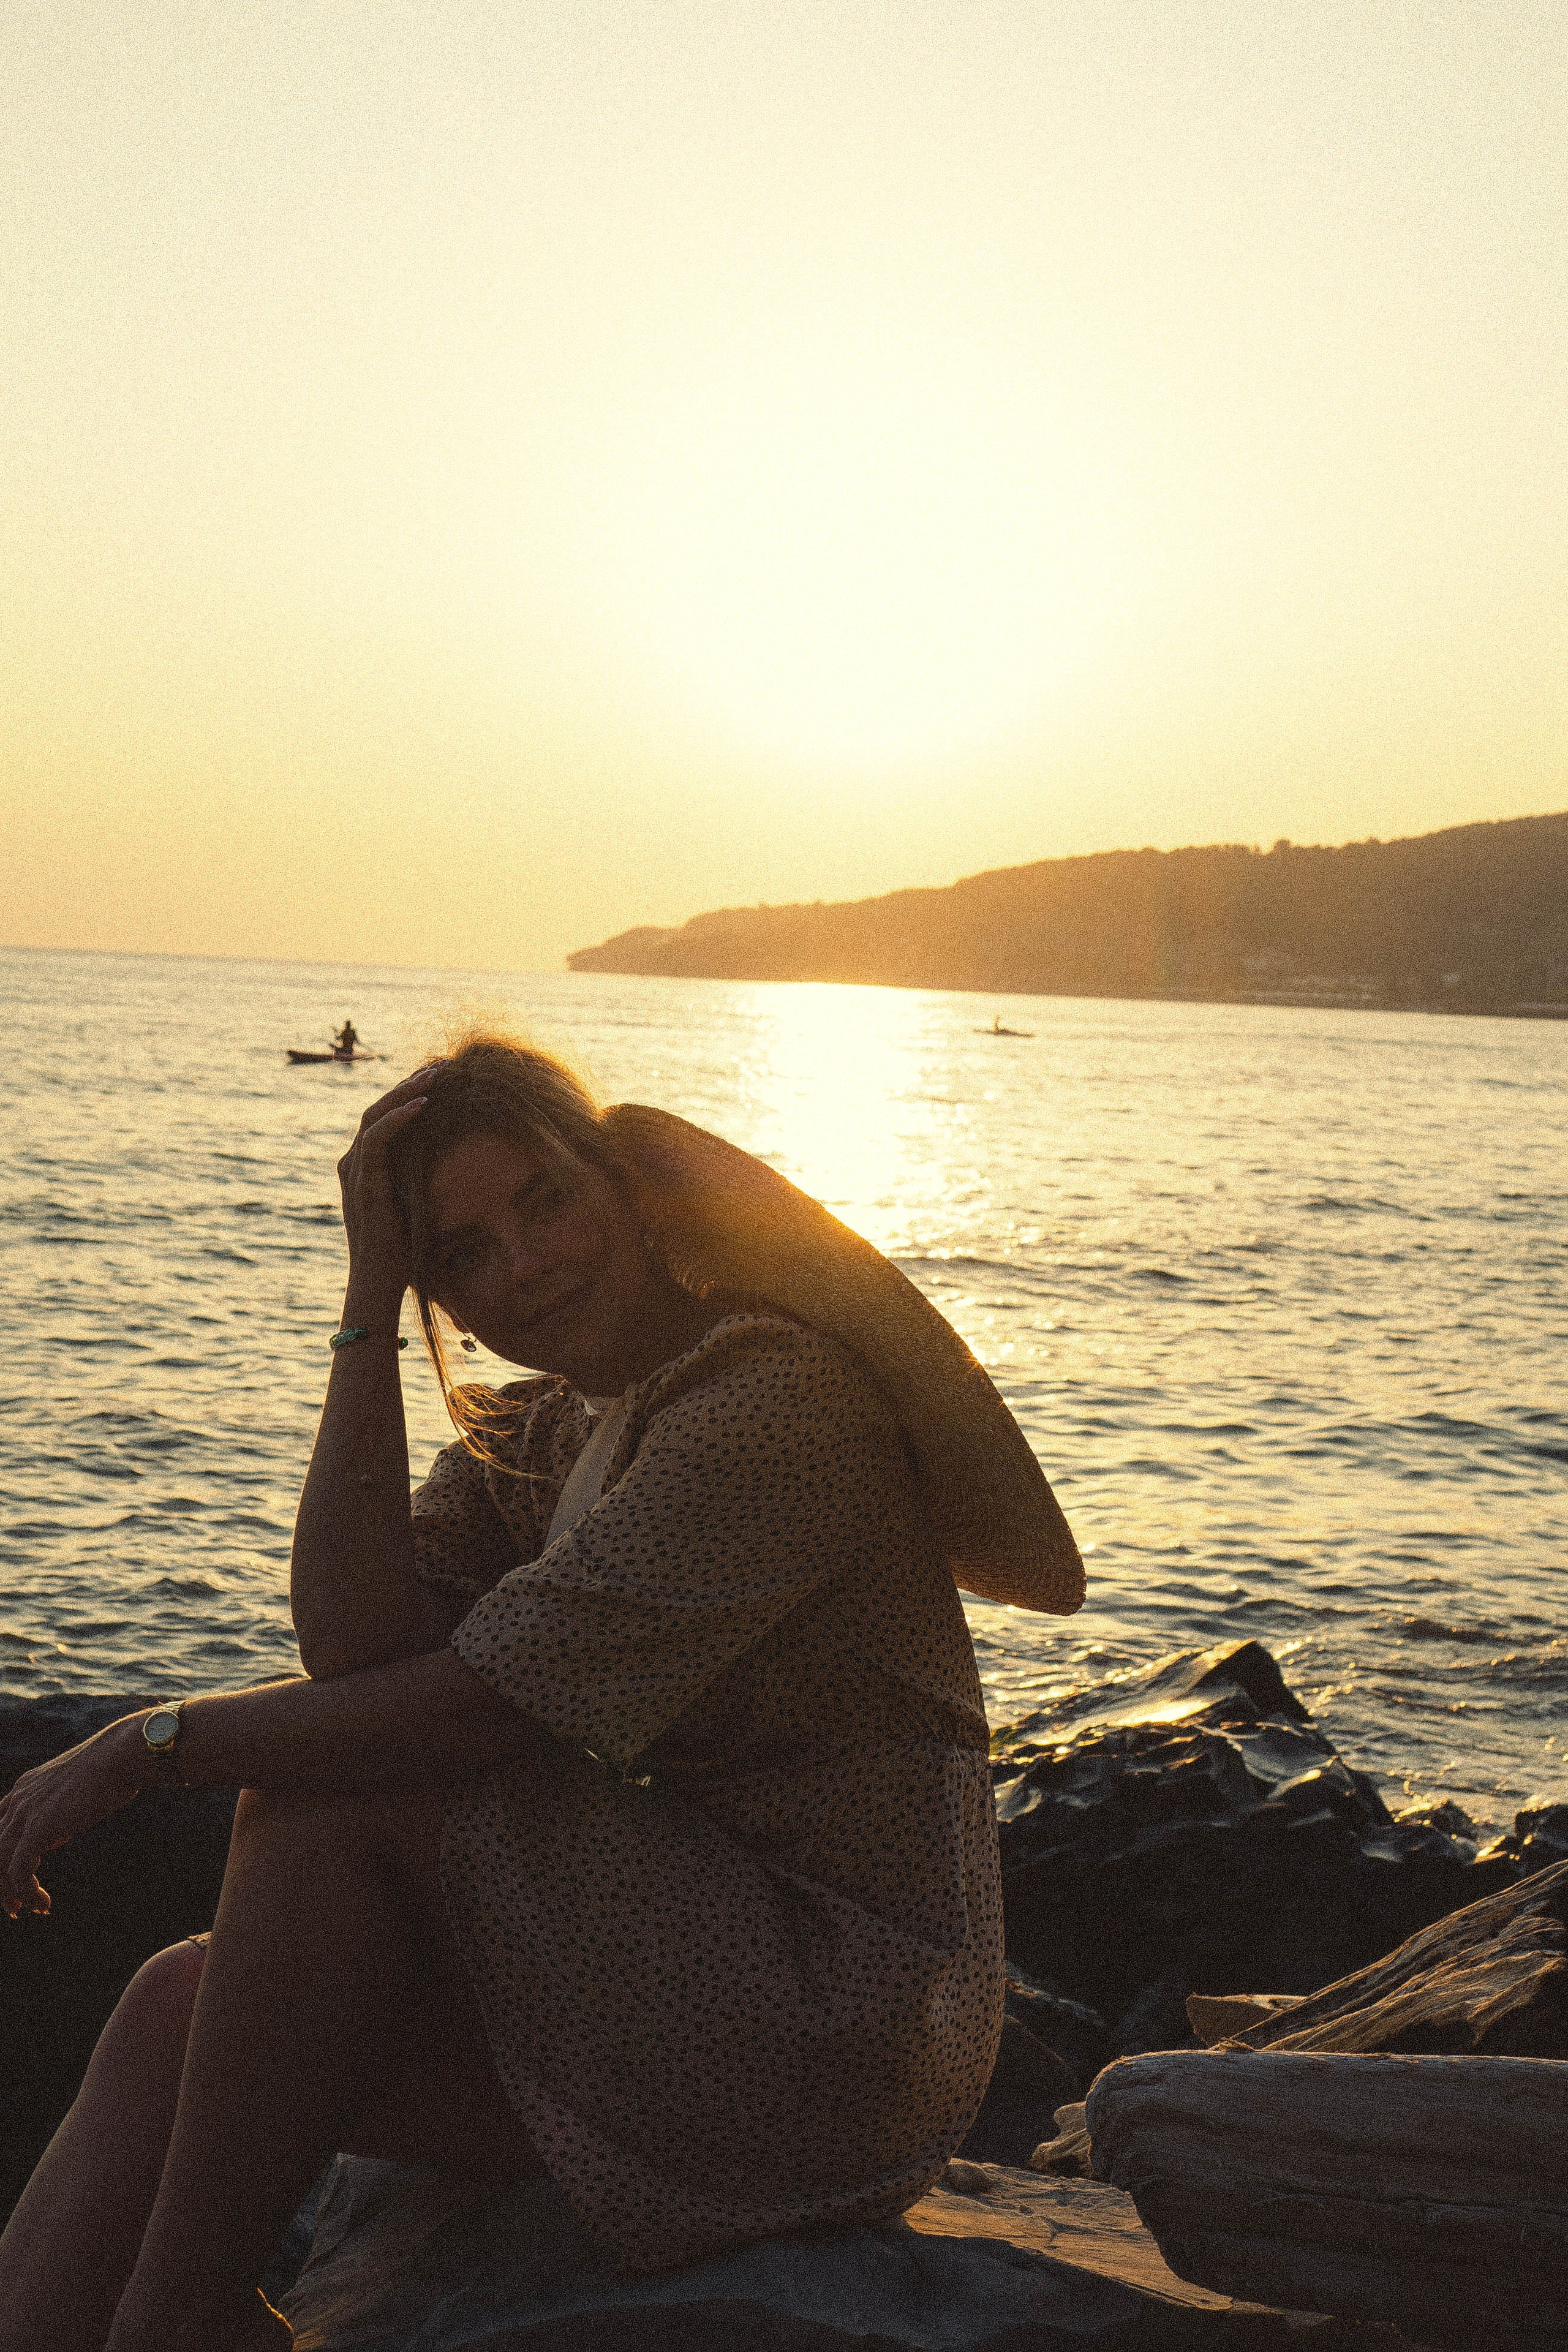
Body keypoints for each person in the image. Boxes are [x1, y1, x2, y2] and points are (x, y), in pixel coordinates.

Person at [0, 1033, 1082, 2352]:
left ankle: (181, 2321)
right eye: (461, 1255)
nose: (522, 1265)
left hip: (839, 2033)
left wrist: (148, 1744)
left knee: (321, 1795)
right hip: (675, 1980)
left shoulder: (773, 1404)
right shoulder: (549, 1429)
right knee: (177, 2005)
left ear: (625, 1191)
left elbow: (466, 1715)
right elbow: (352, 1643)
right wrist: (367, 1296)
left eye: (546, 1202)